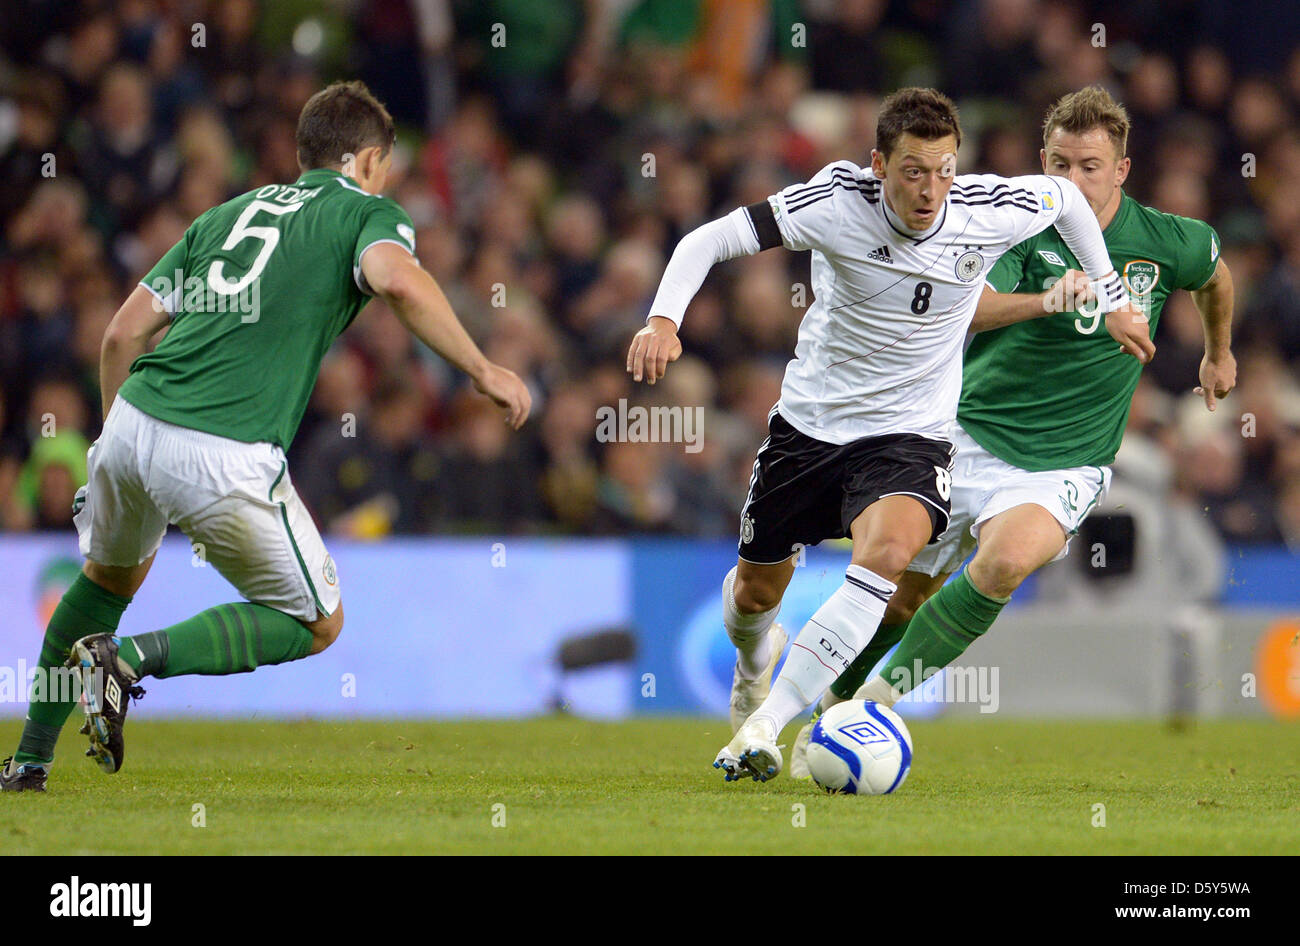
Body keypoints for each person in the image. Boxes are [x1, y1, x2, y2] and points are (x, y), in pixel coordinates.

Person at [1, 81, 531, 792]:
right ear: (369, 160)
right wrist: (481, 365)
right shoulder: (366, 214)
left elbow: (121, 332)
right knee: (316, 621)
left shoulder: (224, 215)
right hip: (221, 445)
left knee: (102, 584)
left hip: (131, 421)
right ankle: (126, 659)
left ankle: (27, 762)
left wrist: (110, 444)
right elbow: (397, 282)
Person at [626, 87, 1151, 783]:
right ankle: (756, 664)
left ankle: (765, 726)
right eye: (912, 171)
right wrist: (663, 321)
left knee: (889, 554)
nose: (931, 190)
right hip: (810, 428)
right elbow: (709, 238)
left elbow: (1071, 205)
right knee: (755, 595)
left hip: (912, 435)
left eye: (943, 170)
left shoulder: (986, 208)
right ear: (878, 164)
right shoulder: (833, 203)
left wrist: (1113, 299)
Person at [789, 85, 1236, 777]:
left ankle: (868, 709)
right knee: (903, 596)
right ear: (1041, 162)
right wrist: (1049, 300)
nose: (1073, 180)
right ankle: (832, 712)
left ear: (1121, 170)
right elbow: (971, 308)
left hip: (1065, 463)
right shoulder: (1019, 229)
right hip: (963, 436)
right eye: (1060, 164)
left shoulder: (1165, 240)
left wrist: (1218, 351)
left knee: (1003, 562)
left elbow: (1214, 275)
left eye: (1090, 166)